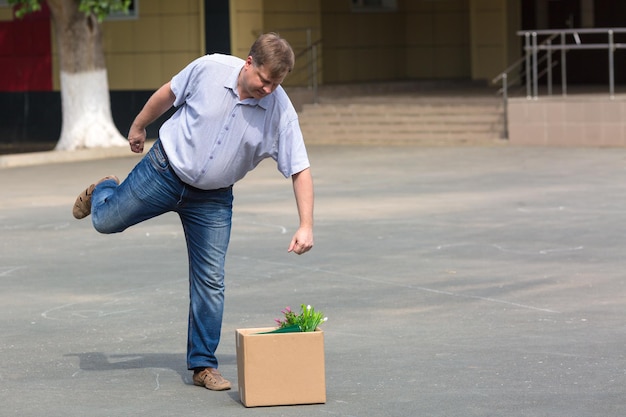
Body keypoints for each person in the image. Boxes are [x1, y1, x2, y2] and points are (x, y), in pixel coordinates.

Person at [71, 33, 314, 391]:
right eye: (264, 80)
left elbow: (299, 168)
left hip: (212, 201)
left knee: (210, 279)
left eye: (276, 84)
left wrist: (306, 224)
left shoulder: (280, 110)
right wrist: (139, 126)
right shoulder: (210, 68)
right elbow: (168, 94)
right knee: (105, 221)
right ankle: (106, 188)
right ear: (249, 63)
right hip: (163, 171)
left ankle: (202, 365)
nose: (269, 89)